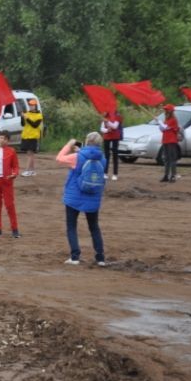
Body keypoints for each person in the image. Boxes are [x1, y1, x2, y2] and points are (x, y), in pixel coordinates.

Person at [57, 133, 108, 266]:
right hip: (93, 197)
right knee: (94, 227)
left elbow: (59, 158)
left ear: (87, 141)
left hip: (74, 196)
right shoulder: (103, 158)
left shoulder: (77, 157)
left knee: (71, 226)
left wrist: (69, 144)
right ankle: (100, 258)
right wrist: (81, 152)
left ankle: (75, 257)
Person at [20, 99, 44, 176]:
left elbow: (35, 125)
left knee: (30, 154)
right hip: (26, 135)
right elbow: (23, 124)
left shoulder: (39, 115)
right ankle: (32, 170)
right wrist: (22, 117)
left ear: (35, 106)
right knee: (30, 154)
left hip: (33, 136)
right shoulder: (27, 113)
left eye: (32, 105)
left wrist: (27, 118)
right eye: (30, 105)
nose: (31, 106)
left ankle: (27, 170)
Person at [158, 104, 180, 183]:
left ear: (170, 111)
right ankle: (166, 175)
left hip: (171, 140)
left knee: (172, 159)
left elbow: (165, 127)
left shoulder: (173, 120)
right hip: (165, 140)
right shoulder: (166, 120)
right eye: (165, 110)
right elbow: (162, 129)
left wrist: (160, 123)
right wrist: (160, 124)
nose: (165, 111)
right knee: (166, 159)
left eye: (167, 110)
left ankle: (173, 175)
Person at [100, 109, 122, 181]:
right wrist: (106, 130)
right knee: (106, 155)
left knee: (115, 155)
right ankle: (105, 173)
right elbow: (102, 128)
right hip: (107, 137)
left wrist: (107, 121)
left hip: (115, 137)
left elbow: (115, 126)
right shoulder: (105, 116)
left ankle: (115, 174)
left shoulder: (117, 116)